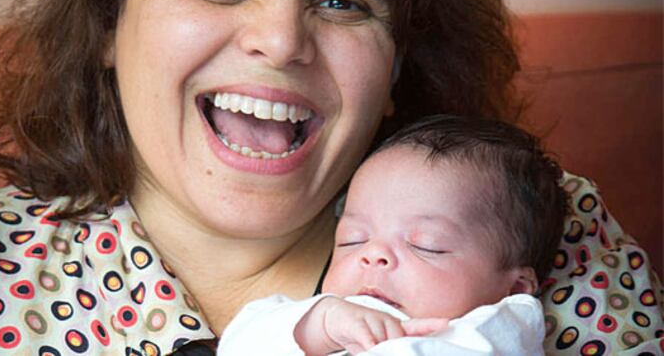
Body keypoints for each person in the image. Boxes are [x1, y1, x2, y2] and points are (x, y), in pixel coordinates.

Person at [0, 0, 661, 355]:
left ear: (397, 65)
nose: (280, 40)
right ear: (108, 21)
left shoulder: (542, 230)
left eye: (342, 2)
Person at [218, 115, 567, 355]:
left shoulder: (494, 332)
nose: (373, 255)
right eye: (353, 239)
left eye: (425, 245)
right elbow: (237, 346)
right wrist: (319, 324)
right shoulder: (317, 317)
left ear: (514, 289)